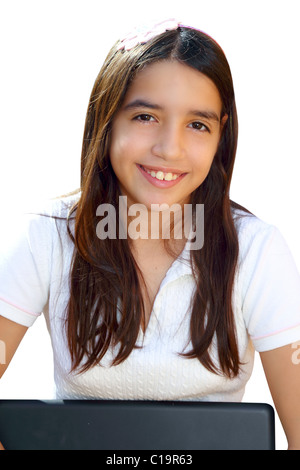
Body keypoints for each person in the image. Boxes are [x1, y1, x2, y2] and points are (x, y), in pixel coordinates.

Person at [0, 18, 300, 449]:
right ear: (106, 122)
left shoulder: (257, 250)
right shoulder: (44, 238)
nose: (169, 148)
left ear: (221, 134)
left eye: (197, 125)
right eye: (145, 116)